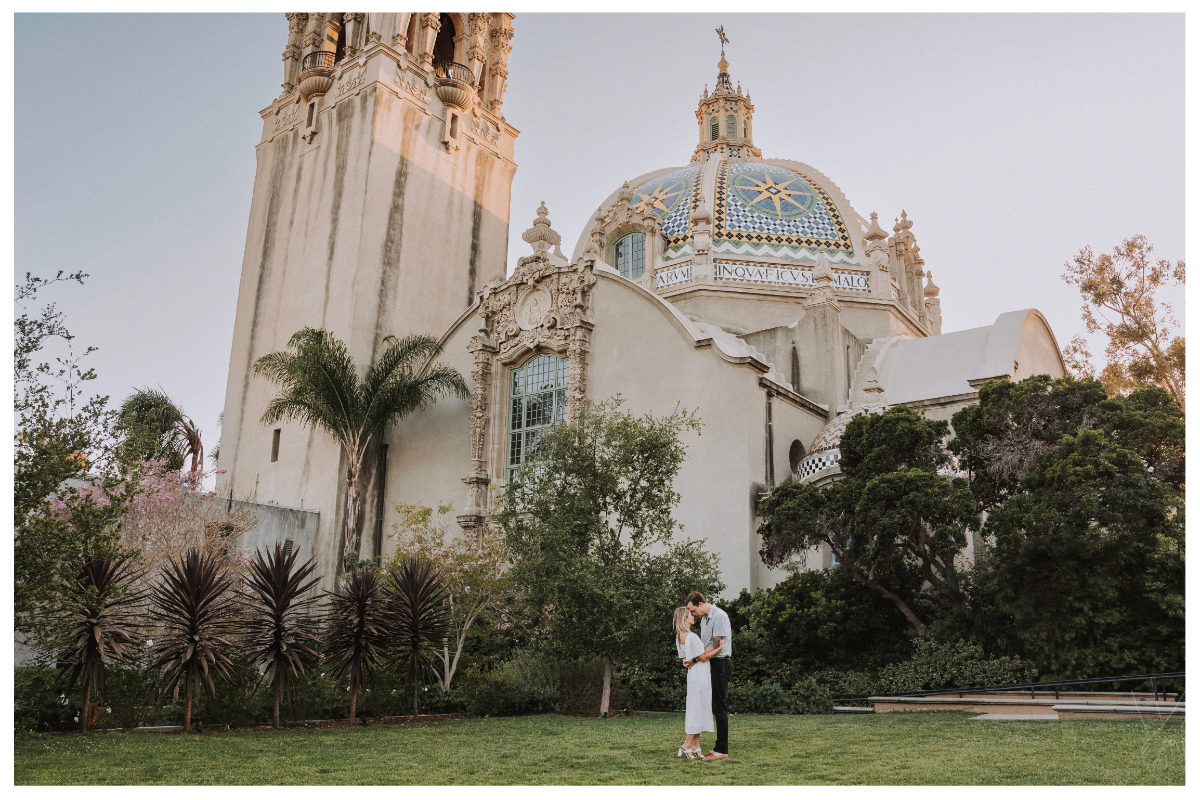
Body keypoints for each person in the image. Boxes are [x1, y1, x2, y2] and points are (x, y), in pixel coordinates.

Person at [683, 591, 731, 761]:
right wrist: (693, 660)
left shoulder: (718, 616)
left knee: (719, 707)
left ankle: (721, 751)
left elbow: (717, 645)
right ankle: (717, 748)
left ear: (700, 604)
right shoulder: (704, 620)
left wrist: (696, 659)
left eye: (693, 610)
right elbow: (705, 646)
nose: (693, 614)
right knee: (714, 706)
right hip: (711, 663)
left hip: (721, 663)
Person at [673, 606, 712, 759]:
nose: (693, 616)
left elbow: (684, 656)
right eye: (690, 615)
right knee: (698, 708)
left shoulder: (680, 636)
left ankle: (696, 745)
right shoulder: (692, 636)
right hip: (701, 674)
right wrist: (716, 647)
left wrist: (688, 661)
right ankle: (687, 744)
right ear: (685, 618)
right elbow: (703, 656)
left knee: (696, 706)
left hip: (693, 674)